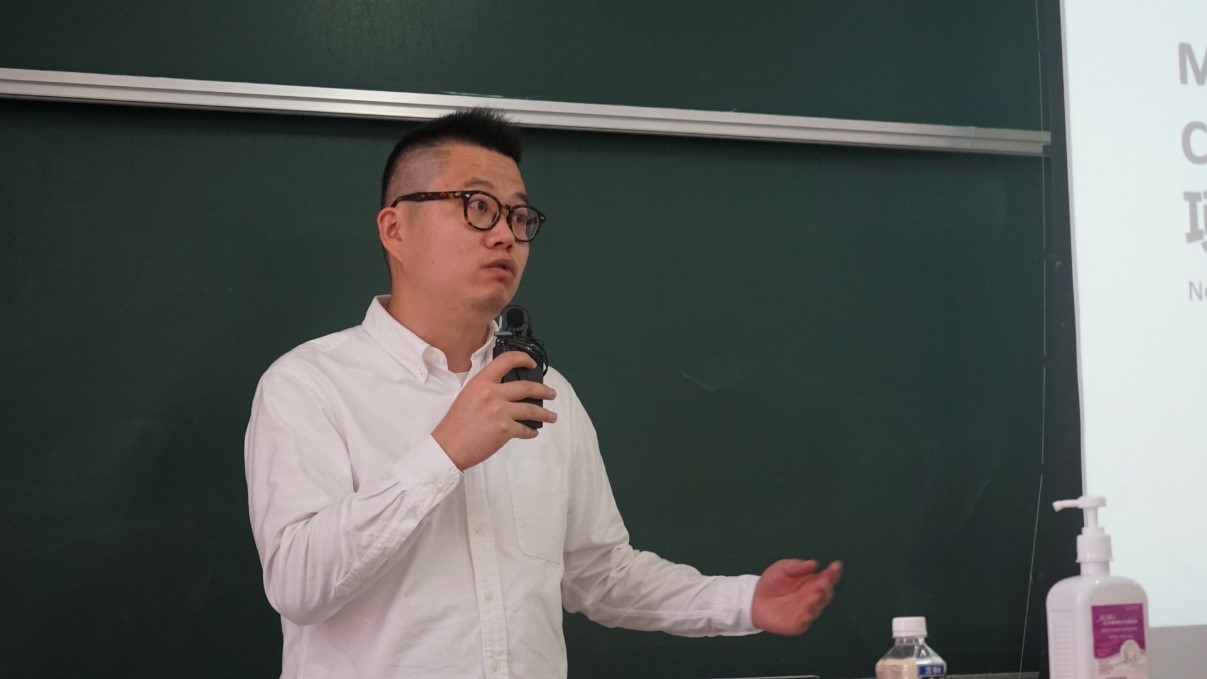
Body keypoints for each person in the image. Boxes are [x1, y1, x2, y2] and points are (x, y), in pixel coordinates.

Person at [244, 108, 842, 678]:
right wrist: (443, 453)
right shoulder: (309, 384)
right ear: (395, 228)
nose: (506, 235)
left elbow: (600, 574)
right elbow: (296, 585)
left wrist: (744, 601)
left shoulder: (546, 392)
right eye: (478, 207)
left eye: (519, 216)